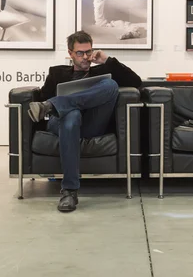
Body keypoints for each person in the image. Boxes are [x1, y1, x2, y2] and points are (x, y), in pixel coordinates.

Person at [27, 31, 142, 212]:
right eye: (80, 53)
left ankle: (54, 105)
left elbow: (136, 81)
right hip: (64, 124)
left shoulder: (103, 71)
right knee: (72, 116)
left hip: (92, 124)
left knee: (111, 85)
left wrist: (107, 60)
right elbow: (42, 96)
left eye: (88, 52)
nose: (86, 57)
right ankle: (69, 191)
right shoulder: (57, 73)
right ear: (70, 53)